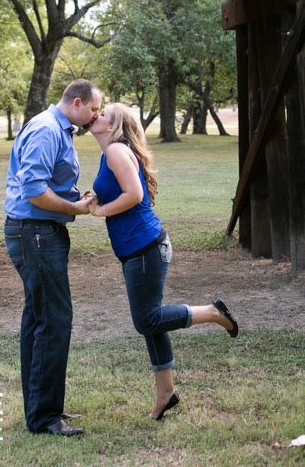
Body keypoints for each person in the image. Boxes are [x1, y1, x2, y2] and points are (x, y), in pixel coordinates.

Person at [84, 103, 238, 420]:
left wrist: (101, 211)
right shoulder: (110, 153)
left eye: (103, 114)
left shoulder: (115, 151)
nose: (96, 116)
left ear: (114, 126)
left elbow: (135, 196)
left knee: (147, 320)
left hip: (145, 248)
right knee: (151, 322)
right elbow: (121, 192)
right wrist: (97, 198)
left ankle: (211, 313)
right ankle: (166, 394)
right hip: (139, 249)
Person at [4, 79, 102, 436]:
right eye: (94, 109)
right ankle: (45, 416)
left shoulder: (59, 129)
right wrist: (73, 207)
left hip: (41, 232)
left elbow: (48, 184)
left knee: (39, 318)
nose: (96, 116)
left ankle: (41, 408)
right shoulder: (47, 130)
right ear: (77, 103)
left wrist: (76, 196)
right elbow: (33, 191)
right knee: (54, 319)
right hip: (35, 233)